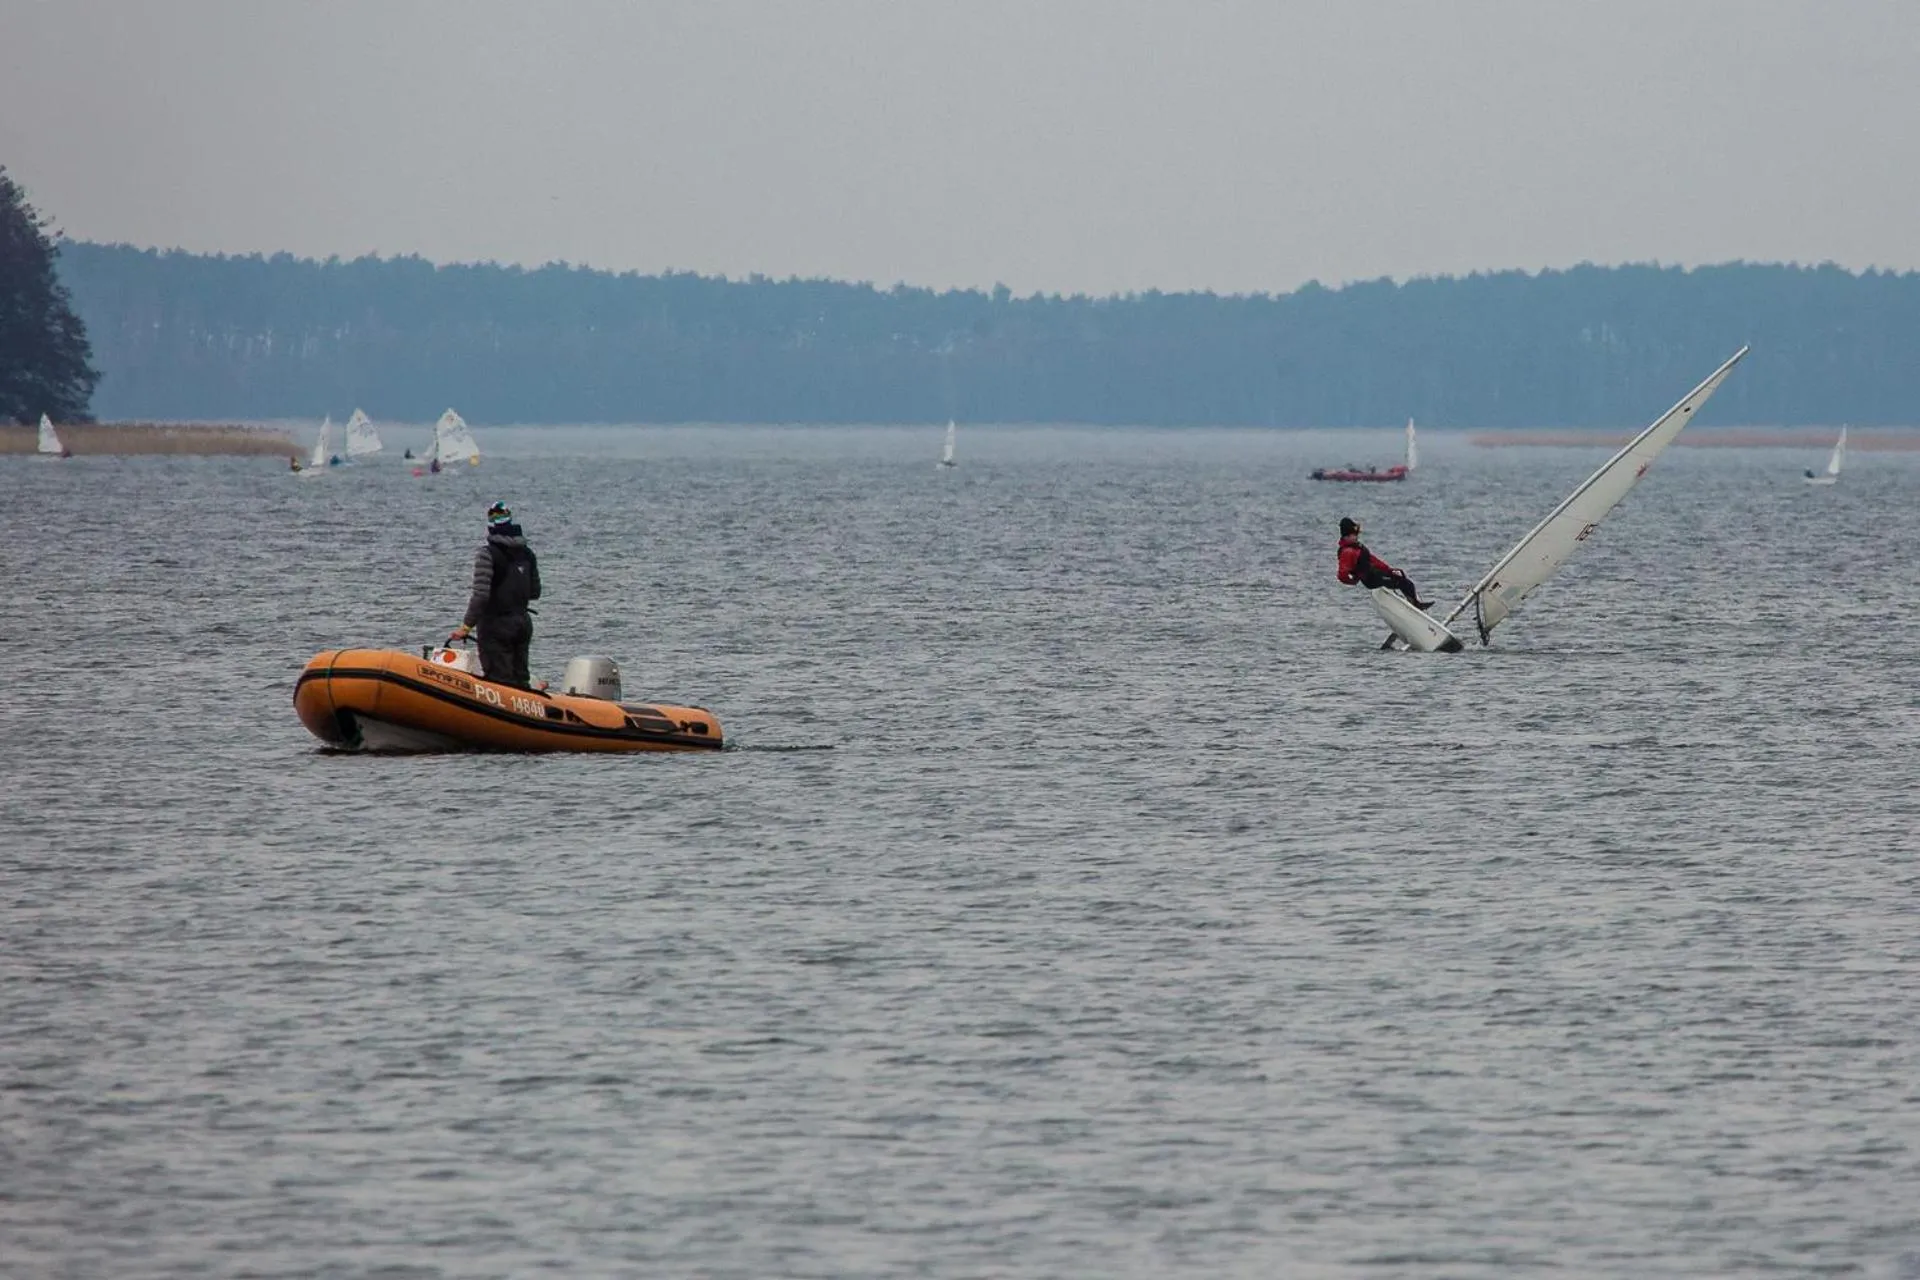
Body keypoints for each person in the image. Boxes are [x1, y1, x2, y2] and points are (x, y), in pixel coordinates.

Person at [449, 501, 542, 688]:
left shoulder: (487, 554)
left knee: (499, 682)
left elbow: (481, 596)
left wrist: (466, 627)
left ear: (490, 526)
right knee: (520, 679)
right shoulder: (528, 553)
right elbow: (535, 592)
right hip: (522, 623)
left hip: (496, 625)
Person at [1336, 516, 1433, 610]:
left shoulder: (1357, 547)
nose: (1357, 537)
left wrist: (1388, 570)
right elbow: (1342, 575)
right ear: (1346, 536)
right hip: (1371, 580)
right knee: (1403, 582)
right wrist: (1354, 581)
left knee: (1400, 573)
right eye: (1354, 535)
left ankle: (1412, 601)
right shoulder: (1347, 552)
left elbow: (1373, 560)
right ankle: (1416, 605)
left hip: (1375, 574)